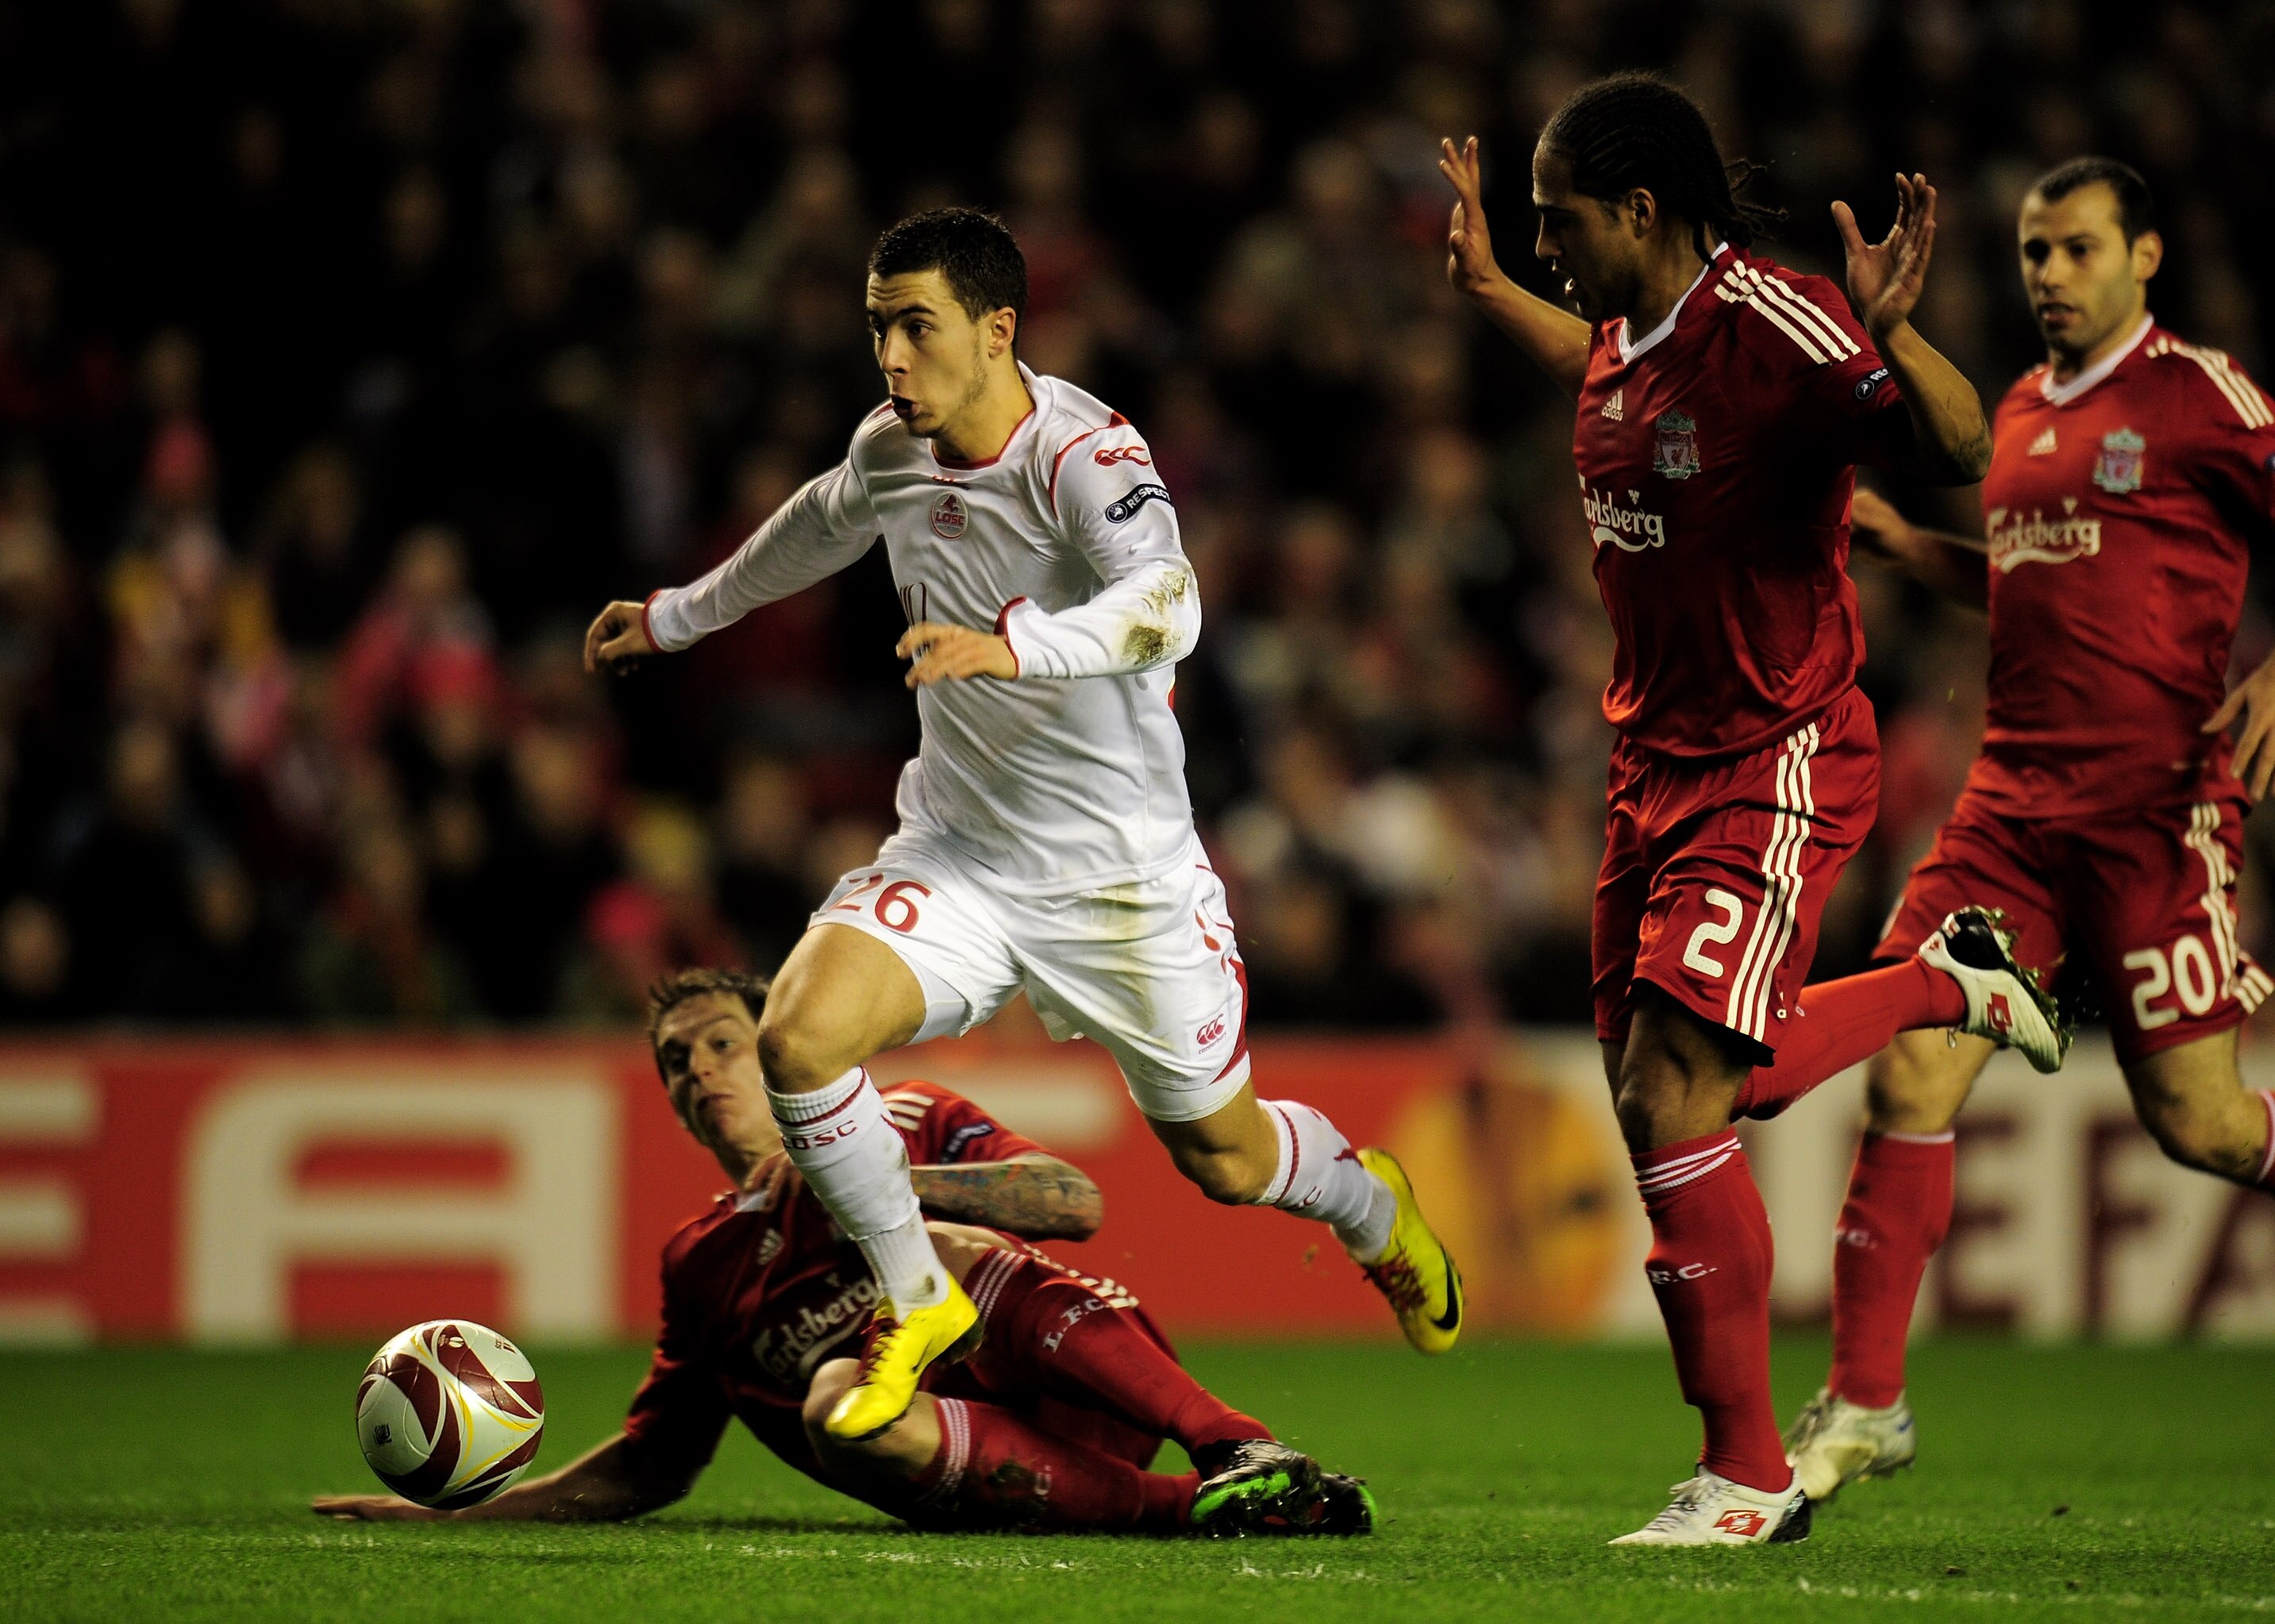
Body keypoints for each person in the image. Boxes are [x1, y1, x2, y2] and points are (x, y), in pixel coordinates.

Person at [581, 206, 1461, 1449]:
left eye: (917, 326)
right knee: (797, 1037)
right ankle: (917, 1293)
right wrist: (678, 617)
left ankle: (1371, 1208)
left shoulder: (1083, 454)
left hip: (1121, 884)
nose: (891, 356)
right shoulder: (894, 443)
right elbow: (826, 517)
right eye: (878, 326)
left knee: (1225, 1156)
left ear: (998, 331)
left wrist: (1017, 645)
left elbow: (1171, 600)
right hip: (961, 859)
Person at [1438, 73, 2046, 1546]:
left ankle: (1748, 1476)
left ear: (1640, 210)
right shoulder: (1621, 333)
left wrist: (1894, 329)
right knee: (1692, 1100)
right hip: (1649, 767)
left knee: (1673, 1095)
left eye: (1556, 220)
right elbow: (1594, 354)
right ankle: (1939, 983)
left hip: (1774, 753)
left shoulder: (1776, 322)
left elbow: (1959, 450)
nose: (1545, 241)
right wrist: (1487, 286)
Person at [1752, 158, 2275, 1503]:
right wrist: (1917, 551)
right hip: (2009, 813)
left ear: (2145, 257)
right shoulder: (2024, 409)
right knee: (1910, 1076)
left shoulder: (2200, 394)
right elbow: (2041, 591)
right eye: (2036, 251)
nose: (2049, 273)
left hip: (2156, 807)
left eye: (2078, 249)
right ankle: (1865, 1403)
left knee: (2198, 1122)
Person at [313, 968, 1374, 1536]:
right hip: (948, 1464)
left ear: (776, 1034)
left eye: (722, 1040)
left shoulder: (902, 1113)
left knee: (938, 1251)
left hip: (1077, 1381)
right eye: (676, 1063)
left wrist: (873, 1178)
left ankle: (1237, 1447)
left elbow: (1070, 1199)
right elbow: (654, 1460)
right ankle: (1208, 1515)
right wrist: (468, 1508)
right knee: (837, 1396)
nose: (700, 1070)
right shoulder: (704, 1261)